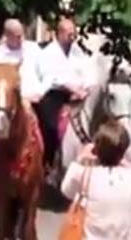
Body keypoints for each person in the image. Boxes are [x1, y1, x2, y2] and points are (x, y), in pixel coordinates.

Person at [35, 17, 95, 171]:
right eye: (69, 34)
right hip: (53, 95)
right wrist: (73, 89)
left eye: (73, 34)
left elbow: (87, 72)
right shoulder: (48, 53)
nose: (72, 37)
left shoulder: (78, 52)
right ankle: (48, 161)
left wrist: (86, 89)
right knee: (51, 126)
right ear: (59, 34)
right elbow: (52, 78)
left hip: (77, 96)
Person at [0, 18, 44, 123]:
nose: (22, 39)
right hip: (7, 104)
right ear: (7, 36)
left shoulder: (34, 49)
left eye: (22, 35)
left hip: (35, 100)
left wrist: (38, 94)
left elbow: (45, 73)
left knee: (49, 125)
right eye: (18, 36)